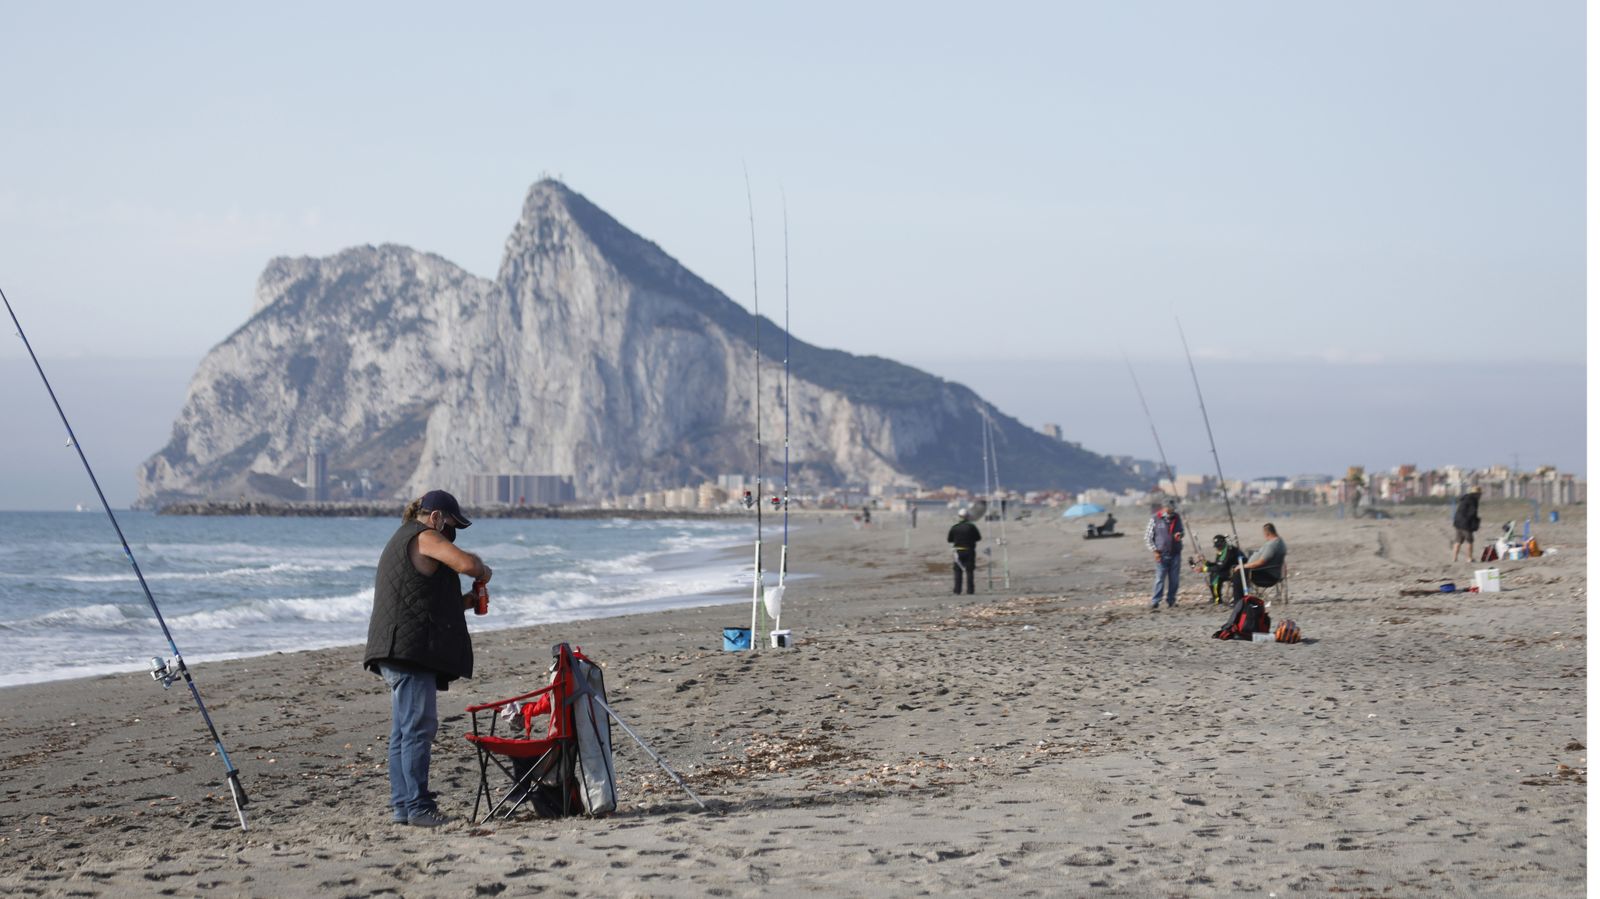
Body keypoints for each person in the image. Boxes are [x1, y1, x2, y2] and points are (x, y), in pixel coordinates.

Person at [365, 490, 493, 827]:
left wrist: (467, 601)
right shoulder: (424, 536)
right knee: (418, 729)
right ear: (435, 517)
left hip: (396, 647)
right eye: (451, 525)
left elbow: (421, 599)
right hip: (409, 652)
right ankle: (419, 807)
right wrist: (483, 570)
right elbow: (466, 564)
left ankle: (403, 807)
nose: (451, 533)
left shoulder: (404, 541)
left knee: (404, 732)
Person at [1144, 498, 1184, 611]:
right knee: (1160, 578)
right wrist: (1155, 551)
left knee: (1174, 579)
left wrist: (1179, 535)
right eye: (1170, 509)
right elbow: (1148, 537)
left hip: (1175, 553)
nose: (1172, 511)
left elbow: (1181, 531)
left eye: (1173, 509)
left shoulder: (1177, 517)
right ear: (1164, 508)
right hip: (1161, 554)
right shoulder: (1155, 519)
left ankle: (1171, 600)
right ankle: (1155, 601)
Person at [1195, 534, 1247, 605]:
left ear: (1223, 543)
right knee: (1213, 573)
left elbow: (1221, 567)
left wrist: (1204, 569)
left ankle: (1217, 599)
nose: (1218, 548)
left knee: (1216, 575)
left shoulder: (1229, 551)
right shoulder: (1222, 551)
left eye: (1219, 546)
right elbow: (1217, 564)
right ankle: (1215, 597)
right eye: (1217, 547)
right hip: (1227, 569)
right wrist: (1205, 562)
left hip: (1236, 572)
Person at [1239, 522, 1287, 589]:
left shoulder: (1272, 545)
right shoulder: (1280, 542)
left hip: (1266, 575)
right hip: (1271, 572)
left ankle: (1239, 597)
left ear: (1267, 534)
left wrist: (1243, 566)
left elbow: (1261, 562)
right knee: (1240, 568)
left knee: (1238, 572)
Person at [947, 509, 982, 595]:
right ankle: (970, 591)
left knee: (958, 571)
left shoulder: (955, 527)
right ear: (967, 517)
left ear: (959, 516)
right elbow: (978, 538)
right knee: (969, 571)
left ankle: (957, 590)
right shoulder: (971, 527)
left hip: (958, 551)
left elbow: (949, 539)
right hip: (969, 550)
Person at [1452, 485, 1482, 563]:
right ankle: (1469, 558)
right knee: (1470, 541)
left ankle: (1454, 558)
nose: (1480, 496)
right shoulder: (1473, 500)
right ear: (1477, 494)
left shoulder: (1464, 498)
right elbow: (1472, 513)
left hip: (1457, 522)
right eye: (1480, 494)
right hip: (1465, 524)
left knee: (1458, 541)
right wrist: (1474, 523)